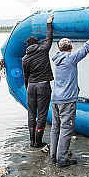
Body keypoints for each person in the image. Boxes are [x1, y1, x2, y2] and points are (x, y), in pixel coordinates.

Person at [49, 22, 89, 167]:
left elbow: (78, 50)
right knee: (66, 129)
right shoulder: (71, 58)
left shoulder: (57, 58)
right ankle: (62, 160)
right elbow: (86, 47)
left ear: (59, 48)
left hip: (55, 99)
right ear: (70, 48)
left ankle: (53, 156)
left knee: (55, 128)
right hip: (67, 100)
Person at [21, 14, 55, 148]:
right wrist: (49, 23)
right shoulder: (43, 49)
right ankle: (38, 141)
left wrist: (27, 87)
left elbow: (25, 76)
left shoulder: (25, 59)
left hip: (31, 86)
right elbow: (49, 37)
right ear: (36, 44)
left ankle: (31, 141)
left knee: (31, 113)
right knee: (41, 114)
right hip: (43, 85)